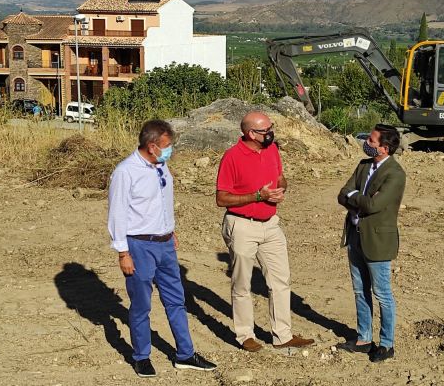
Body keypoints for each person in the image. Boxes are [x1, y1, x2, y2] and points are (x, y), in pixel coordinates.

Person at [108, 120, 216, 378]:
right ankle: (141, 356)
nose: (171, 151)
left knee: (176, 300)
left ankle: (185, 354)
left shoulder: (161, 166)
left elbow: (162, 202)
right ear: (152, 146)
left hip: (165, 244)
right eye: (167, 146)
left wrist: (170, 229)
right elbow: (117, 214)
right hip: (139, 245)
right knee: (141, 305)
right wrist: (123, 253)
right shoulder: (126, 172)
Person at [216, 111, 314, 352]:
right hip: (241, 225)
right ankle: (245, 335)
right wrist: (258, 196)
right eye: (266, 130)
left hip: (271, 224)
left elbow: (281, 178)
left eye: (271, 128)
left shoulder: (272, 150)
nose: (271, 133)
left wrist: (281, 189)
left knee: (280, 280)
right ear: (251, 133)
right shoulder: (232, 157)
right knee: (242, 283)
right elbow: (221, 198)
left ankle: (283, 335)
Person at [336, 124, 406, 363]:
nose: (367, 142)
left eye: (372, 141)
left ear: (384, 148)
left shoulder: (395, 174)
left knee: (382, 294)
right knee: (359, 290)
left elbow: (374, 206)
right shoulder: (364, 165)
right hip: (355, 235)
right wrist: (359, 198)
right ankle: (364, 338)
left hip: (377, 240)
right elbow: (342, 194)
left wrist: (354, 197)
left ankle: (387, 344)